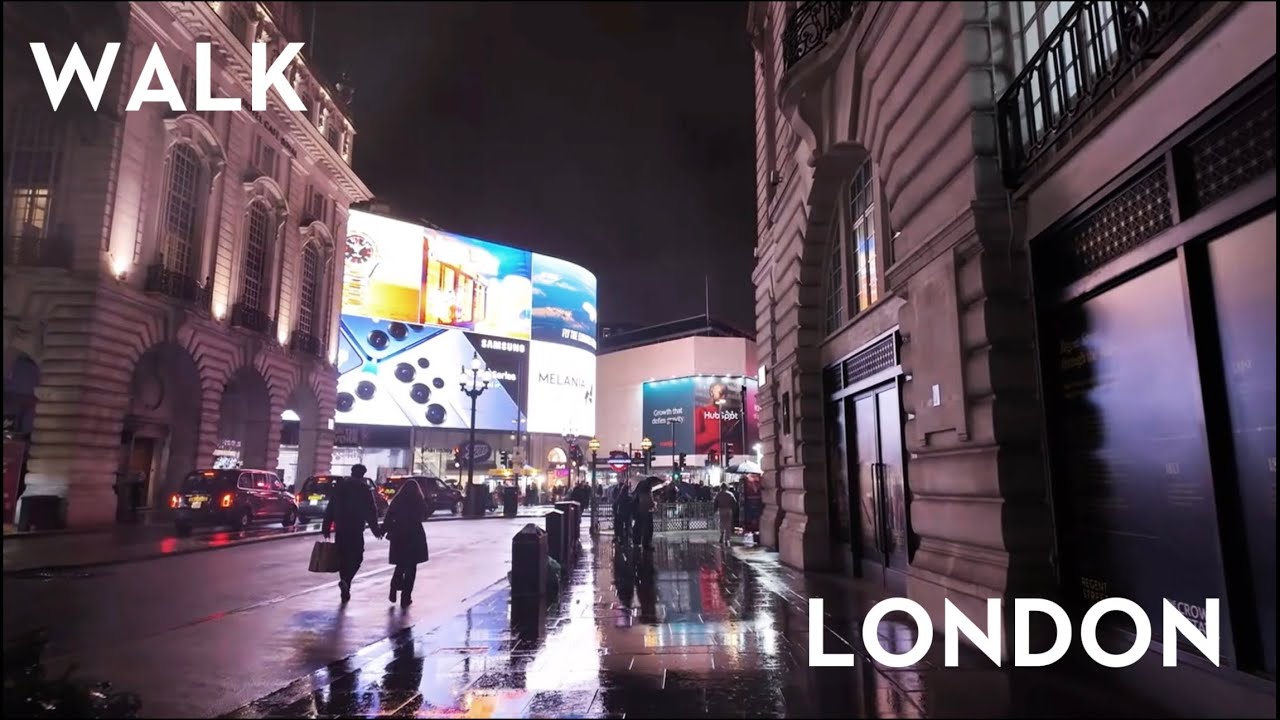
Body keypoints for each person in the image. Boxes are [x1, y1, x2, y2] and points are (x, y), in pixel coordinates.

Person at [322, 465, 382, 602]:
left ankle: (345, 582)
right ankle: (347, 581)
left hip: (341, 528)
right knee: (357, 557)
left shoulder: (341, 487)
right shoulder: (363, 489)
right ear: (362, 475)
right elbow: (371, 511)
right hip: (355, 529)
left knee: (342, 558)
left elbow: (331, 506)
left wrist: (326, 526)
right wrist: (376, 530)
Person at [381, 477, 429, 608]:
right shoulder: (418, 500)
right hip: (414, 535)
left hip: (399, 534)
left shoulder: (398, 500)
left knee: (400, 564)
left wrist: (383, 530)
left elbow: (389, 516)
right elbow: (425, 514)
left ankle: (394, 585)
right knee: (411, 568)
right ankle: (406, 597)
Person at [632, 477, 659, 552]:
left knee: (638, 527)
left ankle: (636, 542)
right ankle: (646, 544)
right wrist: (653, 504)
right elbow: (648, 502)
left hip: (639, 512)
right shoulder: (646, 492)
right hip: (646, 512)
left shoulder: (639, 490)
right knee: (648, 529)